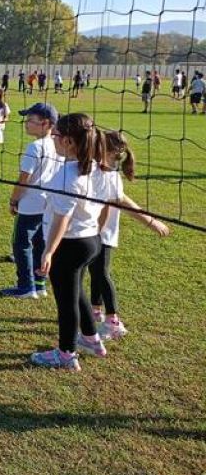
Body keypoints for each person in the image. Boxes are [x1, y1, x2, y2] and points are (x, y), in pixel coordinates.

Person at [30, 114, 106, 372]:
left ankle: (65, 354)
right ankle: (91, 338)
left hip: (70, 243)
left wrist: (49, 251)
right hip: (91, 240)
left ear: (69, 141)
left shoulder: (67, 175)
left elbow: (62, 219)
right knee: (77, 291)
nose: (53, 139)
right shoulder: (94, 165)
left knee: (66, 301)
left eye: (57, 136)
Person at [90, 131, 169, 340]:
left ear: (107, 150)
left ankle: (113, 322)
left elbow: (120, 202)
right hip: (94, 231)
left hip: (101, 233)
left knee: (101, 273)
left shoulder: (110, 176)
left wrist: (150, 221)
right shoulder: (100, 170)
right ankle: (95, 310)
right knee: (95, 272)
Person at [3, 102, 62, 299]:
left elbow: (24, 178)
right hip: (48, 203)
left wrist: (14, 200)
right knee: (40, 242)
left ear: (46, 124)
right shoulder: (57, 145)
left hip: (30, 203)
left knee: (22, 244)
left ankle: (26, 286)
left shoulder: (34, 147)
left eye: (31, 120)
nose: (26, 124)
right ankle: (40, 284)